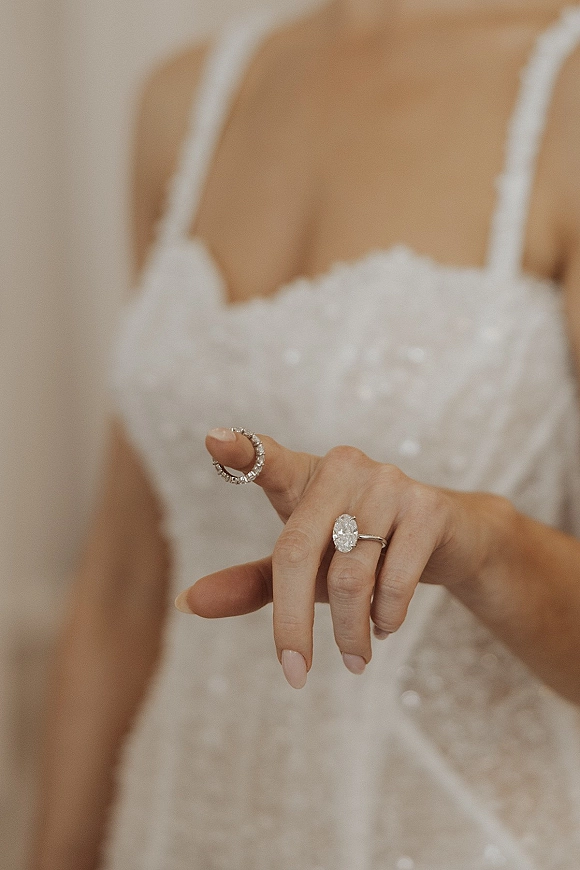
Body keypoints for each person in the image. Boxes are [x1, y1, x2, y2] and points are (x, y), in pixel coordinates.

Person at [31, 0, 580, 868]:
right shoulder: (190, 95)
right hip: (173, 829)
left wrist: (481, 544)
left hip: (461, 839)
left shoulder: (566, 89)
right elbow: (126, 583)